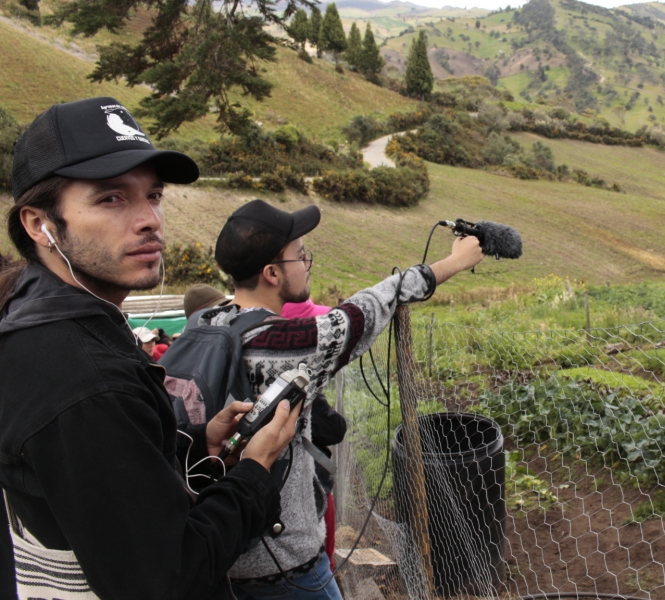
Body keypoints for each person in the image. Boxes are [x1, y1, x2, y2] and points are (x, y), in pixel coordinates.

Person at [0, 96, 302, 599]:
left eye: (154, 195)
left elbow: (101, 477)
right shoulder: (83, 379)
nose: (150, 221)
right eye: (111, 199)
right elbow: (166, 578)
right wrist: (256, 471)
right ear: (39, 224)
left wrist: (193, 439)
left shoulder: (46, 324)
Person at [206, 199, 483, 599]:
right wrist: (454, 261)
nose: (308, 263)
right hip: (284, 569)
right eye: (301, 256)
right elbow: (368, 308)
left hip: (220, 555)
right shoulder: (287, 344)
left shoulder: (208, 322)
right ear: (271, 273)